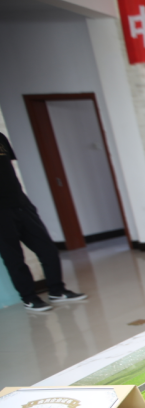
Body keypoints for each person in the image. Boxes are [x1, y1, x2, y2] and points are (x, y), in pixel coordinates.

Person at [0, 132, 87, 312]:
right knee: (14, 258)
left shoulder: (1, 138)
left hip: (21, 204)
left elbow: (8, 170)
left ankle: (57, 290)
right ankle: (29, 298)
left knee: (48, 249)